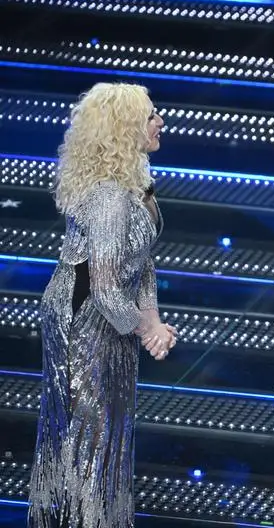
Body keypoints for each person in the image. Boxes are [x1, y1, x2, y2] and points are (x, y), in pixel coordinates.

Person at [28, 82, 177, 528]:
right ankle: (79, 519)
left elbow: (140, 261)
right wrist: (147, 330)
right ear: (125, 127)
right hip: (84, 317)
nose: (160, 121)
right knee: (87, 429)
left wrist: (152, 318)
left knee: (107, 425)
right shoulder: (111, 197)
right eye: (152, 115)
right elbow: (107, 287)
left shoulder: (135, 182)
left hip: (113, 316)